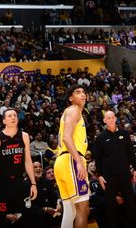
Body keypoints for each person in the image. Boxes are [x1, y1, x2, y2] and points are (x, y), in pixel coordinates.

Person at [0, 108, 37, 226]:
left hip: (19, 181)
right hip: (1, 184)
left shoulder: (24, 136)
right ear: (4, 121)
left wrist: (33, 183)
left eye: (15, 115)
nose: (13, 118)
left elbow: (27, 160)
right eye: (10, 116)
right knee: (1, 218)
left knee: (23, 217)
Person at [92, 110, 136, 228]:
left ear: (115, 119)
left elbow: (130, 153)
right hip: (109, 176)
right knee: (111, 206)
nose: (110, 120)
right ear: (104, 120)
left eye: (112, 117)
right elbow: (98, 159)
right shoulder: (100, 137)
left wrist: (135, 169)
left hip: (124, 174)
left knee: (130, 203)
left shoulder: (125, 134)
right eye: (108, 118)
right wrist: (100, 175)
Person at [53, 86, 89, 228]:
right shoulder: (74, 110)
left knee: (70, 212)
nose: (83, 94)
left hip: (63, 161)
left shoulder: (70, 112)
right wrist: (78, 162)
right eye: (78, 92)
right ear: (70, 98)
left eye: (84, 92)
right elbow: (67, 138)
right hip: (71, 160)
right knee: (83, 210)